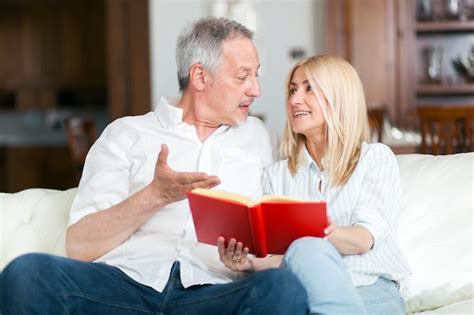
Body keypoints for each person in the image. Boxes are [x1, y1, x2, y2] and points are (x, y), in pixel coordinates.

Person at [0, 17, 308, 315]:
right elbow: (80, 246)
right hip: (123, 287)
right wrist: (155, 196)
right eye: (242, 77)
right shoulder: (126, 134)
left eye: (256, 75)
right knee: (28, 274)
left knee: (282, 287)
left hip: (213, 293)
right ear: (200, 77)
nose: (256, 90)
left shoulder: (263, 139)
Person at [218, 55, 411, 314]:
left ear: (339, 97)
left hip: (370, 289)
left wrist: (317, 232)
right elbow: (282, 258)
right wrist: (248, 263)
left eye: (310, 88)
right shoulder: (277, 176)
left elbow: (364, 239)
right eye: (292, 90)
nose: (295, 99)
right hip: (307, 292)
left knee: (307, 248)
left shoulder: (374, 159)